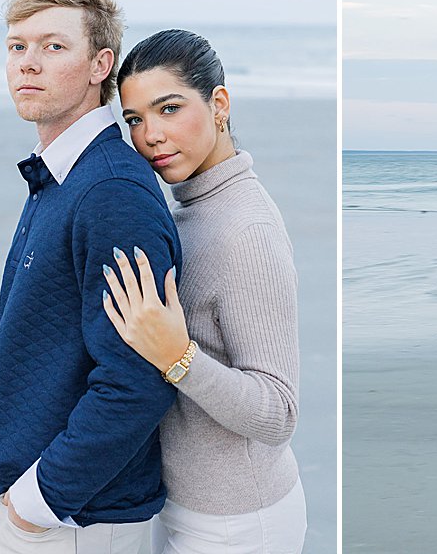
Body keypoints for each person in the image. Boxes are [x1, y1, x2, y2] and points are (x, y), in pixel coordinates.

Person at [0, 0, 182, 553]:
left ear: (100, 65)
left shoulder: (110, 192)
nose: (28, 65)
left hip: (78, 521)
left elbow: (140, 377)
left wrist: (36, 502)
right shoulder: (63, 175)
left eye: (53, 47)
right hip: (59, 509)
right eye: (17, 47)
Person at [101, 29, 306, 554]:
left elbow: (278, 413)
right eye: (135, 119)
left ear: (219, 104)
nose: (150, 136)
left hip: (239, 524)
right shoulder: (190, 208)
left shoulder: (245, 231)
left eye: (169, 108)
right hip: (183, 506)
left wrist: (177, 356)